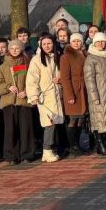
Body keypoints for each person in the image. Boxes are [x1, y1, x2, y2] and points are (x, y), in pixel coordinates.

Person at [26, 34, 64, 163]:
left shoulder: (58, 57)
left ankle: (52, 149)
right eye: (44, 44)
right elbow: (32, 79)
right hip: (44, 97)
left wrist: (60, 79)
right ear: (40, 46)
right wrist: (33, 96)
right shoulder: (36, 60)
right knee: (49, 124)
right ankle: (46, 150)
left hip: (58, 95)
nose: (47, 46)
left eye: (49, 43)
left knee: (56, 123)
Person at [0, 39, 35, 164]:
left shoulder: (28, 64)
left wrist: (27, 91)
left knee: (26, 129)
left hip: (23, 101)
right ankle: (11, 156)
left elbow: (33, 81)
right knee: (10, 130)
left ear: (21, 49)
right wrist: (8, 87)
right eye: (12, 48)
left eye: (17, 48)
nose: (14, 50)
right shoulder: (3, 66)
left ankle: (26, 154)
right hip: (9, 102)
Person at [84, 32, 106, 154]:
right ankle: (100, 144)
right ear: (94, 43)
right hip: (98, 94)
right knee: (98, 119)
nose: (100, 44)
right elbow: (89, 79)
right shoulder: (91, 58)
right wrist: (94, 96)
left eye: (103, 41)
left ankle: (102, 144)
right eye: (98, 42)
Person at [60, 33, 88, 155]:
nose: (77, 43)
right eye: (74, 41)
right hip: (73, 91)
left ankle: (77, 143)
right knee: (73, 119)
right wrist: (70, 95)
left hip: (84, 90)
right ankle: (72, 146)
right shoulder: (66, 57)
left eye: (79, 41)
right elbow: (65, 78)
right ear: (70, 42)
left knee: (81, 119)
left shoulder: (85, 54)